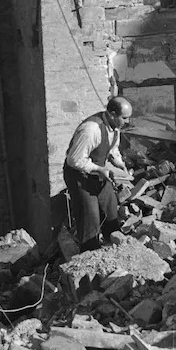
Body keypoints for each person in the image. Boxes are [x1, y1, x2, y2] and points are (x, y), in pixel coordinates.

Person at [64, 96, 133, 252]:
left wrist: (120, 164)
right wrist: (100, 169)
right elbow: (74, 160)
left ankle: (114, 242)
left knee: (110, 204)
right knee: (90, 215)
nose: (127, 122)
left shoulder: (115, 127)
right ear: (112, 114)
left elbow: (113, 148)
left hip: (98, 172)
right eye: (125, 118)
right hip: (79, 175)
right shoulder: (91, 130)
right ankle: (90, 251)